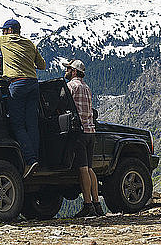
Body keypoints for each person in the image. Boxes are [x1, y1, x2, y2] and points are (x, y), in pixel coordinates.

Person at [0, 19, 46, 178]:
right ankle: (36, 160)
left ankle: (30, 159)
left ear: (8, 30)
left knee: (18, 125)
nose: (2, 33)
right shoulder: (29, 43)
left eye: (3, 30)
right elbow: (42, 66)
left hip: (17, 84)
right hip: (33, 84)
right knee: (32, 125)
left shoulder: (3, 40)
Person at [63, 59, 105, 217]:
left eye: (68, 69)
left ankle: (87, 204)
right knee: (89, 168)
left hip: (79, 133)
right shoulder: (86, 87)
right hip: (90, 131)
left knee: (82, 170)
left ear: (74, 71)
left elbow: (64, 106)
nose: (66, 71)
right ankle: (97, 203)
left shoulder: (71, 86)